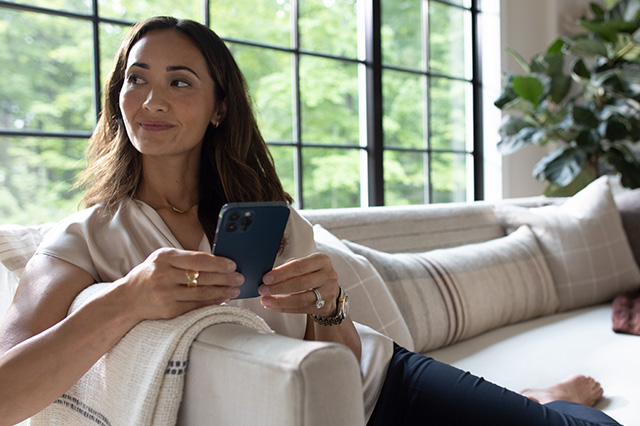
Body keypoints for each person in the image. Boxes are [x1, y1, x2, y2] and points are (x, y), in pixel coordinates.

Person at [0, 16, 622, 426]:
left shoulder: (266, 214)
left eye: (179, 82)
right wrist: (127, 300)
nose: (152, 100)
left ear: (220, 107)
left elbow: (341, 359)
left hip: (377, 384)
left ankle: (537, 402)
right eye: (135, 80)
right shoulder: (83, 238)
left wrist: (328, 306)